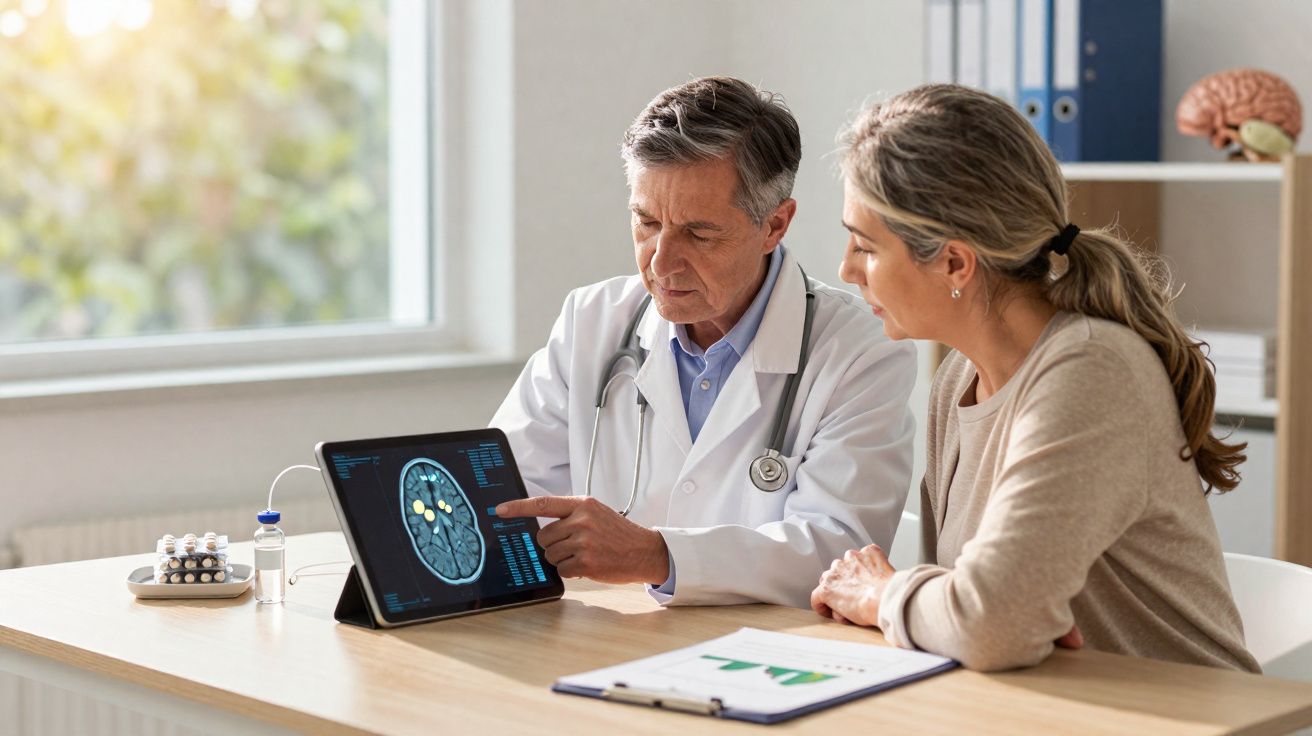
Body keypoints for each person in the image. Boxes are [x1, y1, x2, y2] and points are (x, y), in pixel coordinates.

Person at [810, 83, 1260, 672]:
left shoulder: (1092, 372)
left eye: (865, 247)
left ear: (954, 263)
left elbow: (988, 625)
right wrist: (974, 613)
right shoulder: (958, 379)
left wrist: (883, 594)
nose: (846, 269)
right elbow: (972, 623)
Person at [491, 76, 917, 607]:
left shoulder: (860, 350)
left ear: (775, 226)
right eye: (646, 222)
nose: (661, 262)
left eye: (699, 233)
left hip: (766, 657)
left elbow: (839, 554)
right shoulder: (592, 322)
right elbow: (503, 495)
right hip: (610, 644)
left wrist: (657, 556)